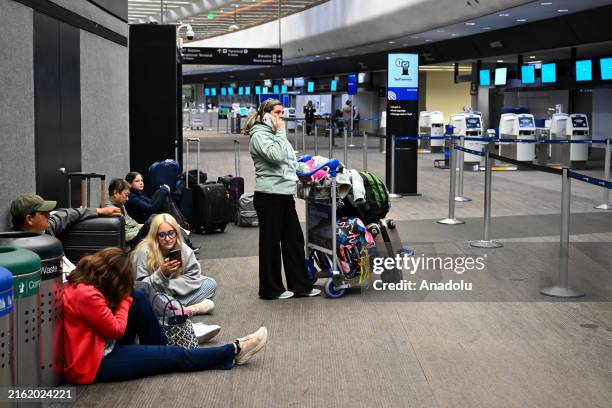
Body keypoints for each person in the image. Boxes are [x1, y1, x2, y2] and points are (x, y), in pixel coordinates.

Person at [63, 247, 268, 384]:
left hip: (102, 345)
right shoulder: (86, 294)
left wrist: (128, 295)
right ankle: (233, 350)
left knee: (139, 295)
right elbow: (116, 330)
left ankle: (162, 352)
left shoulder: (86, 283)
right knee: (172, 355)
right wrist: (124, 299)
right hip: (95, 363)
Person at [243, 98, 321, 300]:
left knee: (294, 240)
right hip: (269, 196)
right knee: (270, 244)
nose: (281, 117)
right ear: (266, 114)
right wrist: (280, 131)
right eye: (277, 113)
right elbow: (275, 156)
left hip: (284, 194)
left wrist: (308, 171)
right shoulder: (259, 135)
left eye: (282, 114)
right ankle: (270, 289)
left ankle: (300, 286)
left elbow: (287, 160)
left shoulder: (275, 134)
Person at [131, 213, 216, 315]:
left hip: (172, 292)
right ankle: (191, 310)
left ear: (176, 233)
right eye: (162, 235)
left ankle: (176, 309)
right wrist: (161, 274)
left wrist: (168, 286)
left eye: (171, 233)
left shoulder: (183, 249)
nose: (167, 238)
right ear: (155, 236)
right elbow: (140, 288)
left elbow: (194, 277)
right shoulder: (143, 252)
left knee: (210, 283)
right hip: (155, 294)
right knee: (156, 298)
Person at [9, 193, 121, 236]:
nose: (49, 215)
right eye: (44, 213)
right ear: (29, 219)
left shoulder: (47, 228)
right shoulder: (17, 250)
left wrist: (99, 211)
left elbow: (69, 214)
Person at [105, 178, 147, 248]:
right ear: (115, 193)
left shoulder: (120, 204)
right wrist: (143, 230)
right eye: (126, 195)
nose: (127, 199)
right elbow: (123, 235)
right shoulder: (109, 209)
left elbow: (131, 223)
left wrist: (144, 226)